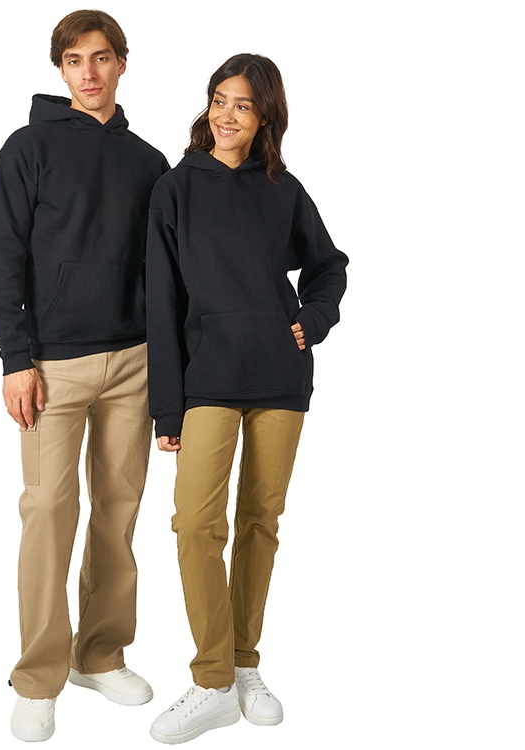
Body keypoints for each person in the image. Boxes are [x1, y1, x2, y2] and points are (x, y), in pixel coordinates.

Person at [145, 53, 349, 744]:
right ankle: (211, 680)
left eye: (243, 104)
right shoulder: (175, 189)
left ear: (265, 117)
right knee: (196, 526)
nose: (226, 115)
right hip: (207, 378)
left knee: (261, 522)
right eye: (218, 100)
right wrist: (167, 407)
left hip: (280, 378)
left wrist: (312, 321)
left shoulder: (282, 190)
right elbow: (161, 303)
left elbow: (328, 266)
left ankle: (242, 664)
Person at [0, 9, 169, 743]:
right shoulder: (27, 148)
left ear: (123, 62)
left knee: (118, 515)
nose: (88, 72)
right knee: (48, 516)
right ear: (60, 69)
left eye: (100, 57)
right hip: (51, 366)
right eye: (73, 60)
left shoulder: (149, 162)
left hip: (134, 364)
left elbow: (167, 271)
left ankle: (100, 654)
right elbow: (3, 256)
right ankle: (38, 677)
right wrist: (14, 357)